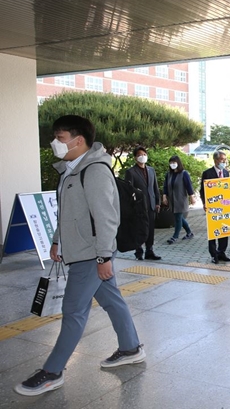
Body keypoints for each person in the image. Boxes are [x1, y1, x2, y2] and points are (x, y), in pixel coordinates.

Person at [15, 115, 145, 397]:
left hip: (91, 255)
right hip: (81, 251)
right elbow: (67, 213)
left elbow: (106, 218)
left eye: (60, 138)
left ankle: (52, 371)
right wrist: (57, 241)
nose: (55, 143)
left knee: (73, 310)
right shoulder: (70, 169)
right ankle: (130, 348)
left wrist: (103, 257)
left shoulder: (94, 170)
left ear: (79, 140)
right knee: (112, 300)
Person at [124, 146, 162, 261]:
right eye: (140, 155)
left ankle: (149, 251)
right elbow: (128, 190)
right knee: (139, 229)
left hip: (151, 205)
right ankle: (138, 251)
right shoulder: (131, 172)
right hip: (138, 206)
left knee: (150, 229)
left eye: (144, 154)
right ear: (135, 158)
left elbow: (155, 188)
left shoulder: (151, 170)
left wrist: (157, 202)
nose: (143, 157)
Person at [200, 150, 230, 264]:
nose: (223, 161)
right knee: (213, 231)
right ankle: (214, 255)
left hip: (225, 206)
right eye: (221, 159)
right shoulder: (207, 173)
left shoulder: (227, 173)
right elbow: (202, 190)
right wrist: (204, 202)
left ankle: (222, 252)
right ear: (215, 160)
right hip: (212, 206)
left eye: (224, 159)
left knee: (224, 229)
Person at [162, 155, 196, 244]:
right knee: (179, 217)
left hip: (181, 199)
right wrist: (164, 196)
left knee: (178, 218)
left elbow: (188, 186)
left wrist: (192, 197)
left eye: (174, 162)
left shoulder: (184, 173)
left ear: (178, 163)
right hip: (172, 199)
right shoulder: (168, 174)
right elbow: (165, 186)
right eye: (171, 163)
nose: (172, 164)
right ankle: (189, 232)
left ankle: (175, 236)